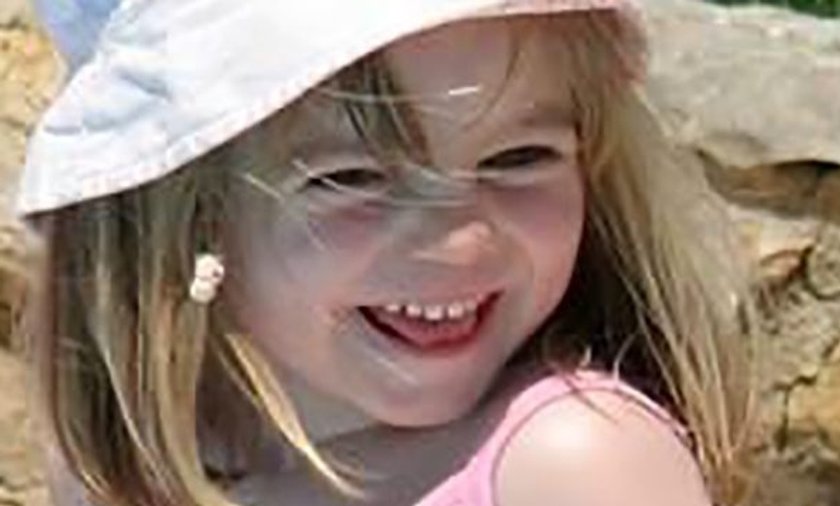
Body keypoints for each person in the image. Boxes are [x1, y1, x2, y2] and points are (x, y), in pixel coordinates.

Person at [18, 0, 760, 505]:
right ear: (187, 220)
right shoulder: (131, 466)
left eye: (518, 158)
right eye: (350, 177)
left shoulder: (572, 463)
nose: (461, 240)